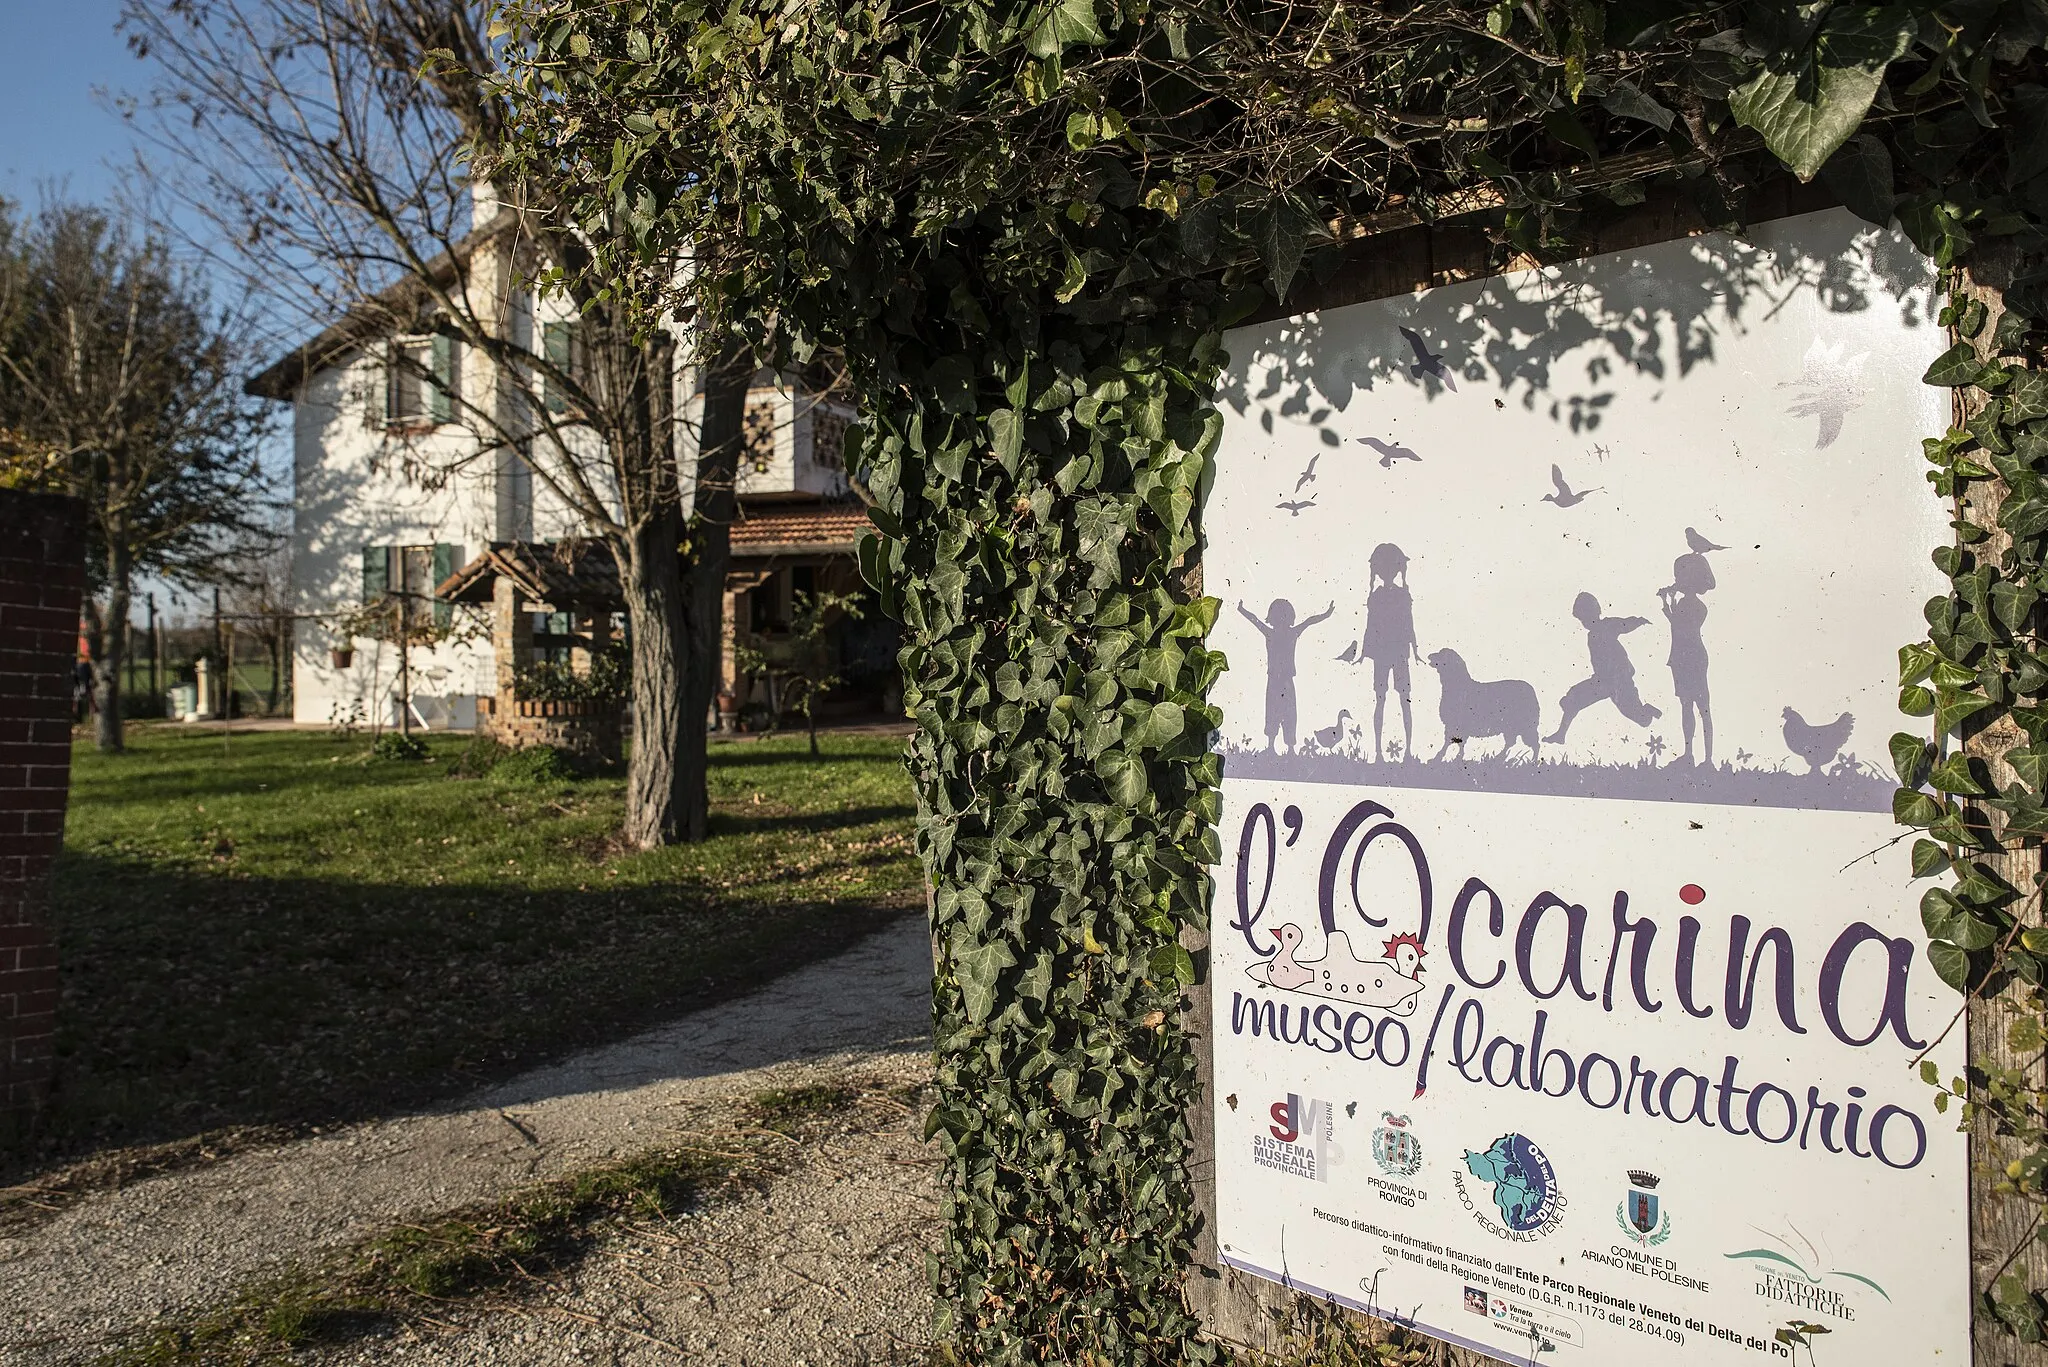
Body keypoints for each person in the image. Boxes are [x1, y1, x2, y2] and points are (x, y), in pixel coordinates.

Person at [1544, 592, 1660, 745]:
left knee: (1639, 717)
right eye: (1581, 620)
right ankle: (1561, 734)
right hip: (1602, 680)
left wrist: (1638, 621)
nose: (1584, 623)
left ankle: (1648, 712)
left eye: (1585, 618)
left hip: (1619, 680)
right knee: (1574, 697)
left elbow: (1624, 624)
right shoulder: (1591, 635)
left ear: (1595, 612)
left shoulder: (1607, 625)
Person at [1237, 598, 1334, 754]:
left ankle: (1283, 747)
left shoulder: (1276, 633)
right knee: (1280, 712)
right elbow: (1309, 621)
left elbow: (1255, 619)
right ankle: (1278, 747)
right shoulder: (1288, 633)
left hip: (1280, 680)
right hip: (1280, 680)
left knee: (1282, 712)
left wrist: (1241, 609)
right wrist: (1327, 614)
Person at [1359, 543, 1419, 762]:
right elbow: (1371, 625)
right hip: (1391, 652)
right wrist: (1365, 652)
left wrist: (1415, 648)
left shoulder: (1393, 595)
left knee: (1396, 700)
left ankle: (1404, 751)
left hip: (1393, 652)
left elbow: (1408, 624)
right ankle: (1380, 752)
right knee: (1390, 699)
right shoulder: (1389, 596)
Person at [1659, 552, 1715, 766]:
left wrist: (1668, 604)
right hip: (1687, 656)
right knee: (1693, 706)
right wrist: (1669, 604)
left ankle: (1700, 756)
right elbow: (1678, 623)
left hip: (1688, 657)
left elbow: (1678, 625)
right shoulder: (1692, 604)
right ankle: (1694, 755)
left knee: (1696, 706)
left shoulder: (1692, 605)